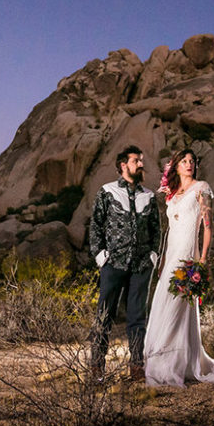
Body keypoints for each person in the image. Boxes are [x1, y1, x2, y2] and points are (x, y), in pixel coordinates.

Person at [144, 148, 214, 387]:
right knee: (163, 304)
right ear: (176, 166)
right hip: (170, 255)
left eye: (192, 161)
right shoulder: (171, 194)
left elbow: (208, 225)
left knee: (178, 307)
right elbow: (168, 230)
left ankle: (175, 364)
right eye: (184, 161)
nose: (189, 164)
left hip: (187, 256)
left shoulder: (202, 187)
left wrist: (203, 258)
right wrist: (162, 259)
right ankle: (160, 358)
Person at [88, 145, 161, 381]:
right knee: (104, 315)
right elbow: (96, 226)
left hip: (141, 265)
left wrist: (153, 255)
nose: (141, 164)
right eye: (136, 161)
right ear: (123, 165)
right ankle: (97, 367)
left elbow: (156, 230)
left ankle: (137, 367)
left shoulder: (148, 195)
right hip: (113, 264)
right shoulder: (106, 192)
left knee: (137, 317)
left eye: (141, 160)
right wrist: (100, 256)